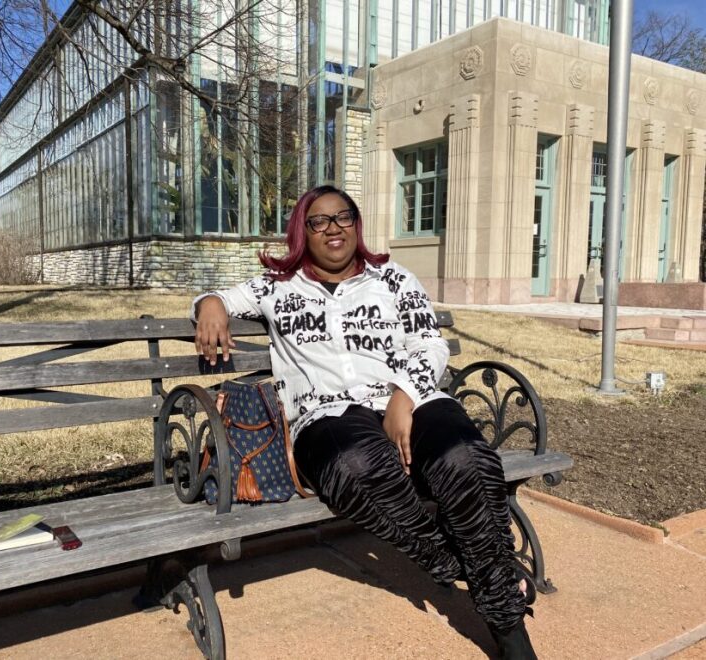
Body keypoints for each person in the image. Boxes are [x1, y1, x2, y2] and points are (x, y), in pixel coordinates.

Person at [192, 185, 537, 659]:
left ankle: (508, 629)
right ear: (302, 231)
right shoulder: (276, 286)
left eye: (344, 217)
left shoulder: (393, 279)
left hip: (410, 399)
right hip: (327, 414)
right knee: (355, 467)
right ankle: (470, 566)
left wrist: (404, 397)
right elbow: (220, 298)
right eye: (319, 220)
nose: (333, 227)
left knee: (467, 460)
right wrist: (210, 303)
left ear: (356, 224)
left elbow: (429, 345)